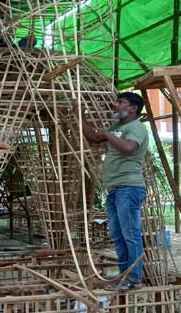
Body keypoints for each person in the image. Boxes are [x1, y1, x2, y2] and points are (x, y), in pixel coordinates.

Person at [75, 92, 149, 291]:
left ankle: (134, 279)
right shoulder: (118, 127)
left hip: (129, 187)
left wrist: (108, 135)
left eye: (120, 102)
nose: (115, 106)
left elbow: (129, 148)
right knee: (117, 235)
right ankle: (125, 275)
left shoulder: (136, 128)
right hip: (116, 188)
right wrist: (79, 116)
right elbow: (93, 137)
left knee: (130, 234)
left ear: (133, 108)